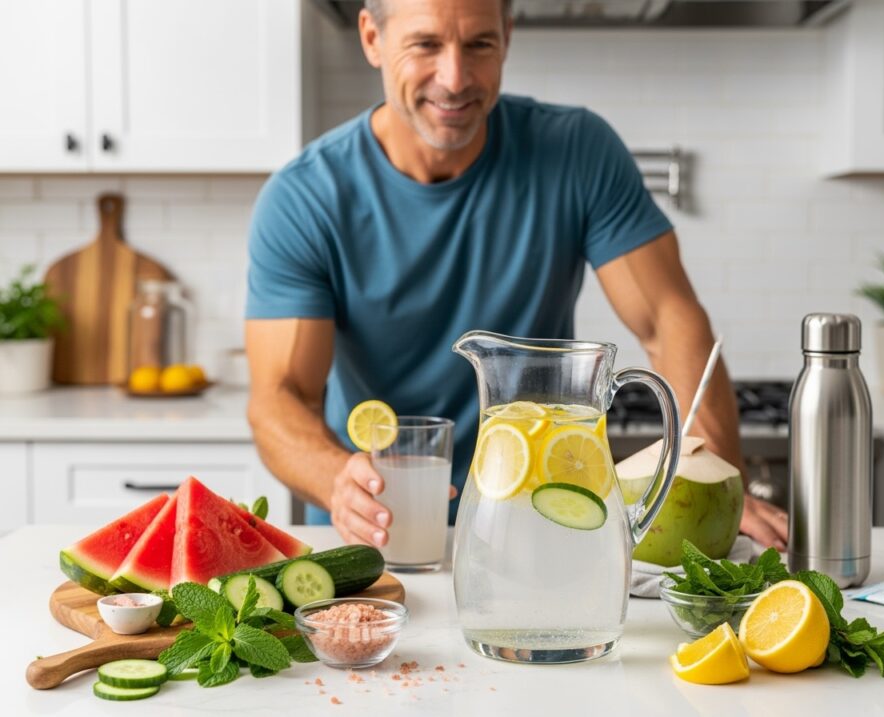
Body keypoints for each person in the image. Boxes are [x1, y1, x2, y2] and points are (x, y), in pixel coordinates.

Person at [245, 0, 788, 551]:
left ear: (507, 36)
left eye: (479, 44)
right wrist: (337, 479)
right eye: (426, 45)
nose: (455, 78)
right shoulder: (304, 198)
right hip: (381, 533)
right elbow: (280, 397)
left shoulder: (578, 151)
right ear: (371, 38)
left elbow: (668, 320)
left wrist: (716, 480)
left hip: (546, 522)